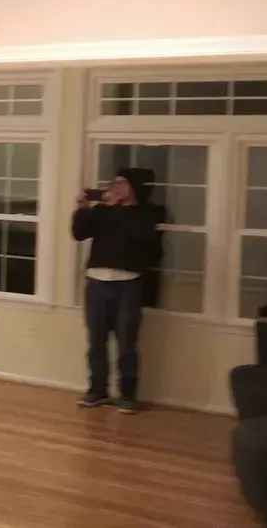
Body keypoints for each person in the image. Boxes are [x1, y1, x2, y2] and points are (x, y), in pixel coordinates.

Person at [71, 168, 164, 414]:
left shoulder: (148, 212)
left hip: (128, 283)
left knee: (126, 341)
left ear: (136, 188)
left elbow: (141, 236)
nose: (116, 187)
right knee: (96, 341)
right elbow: (79, 234)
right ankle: (97, 391)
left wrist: (116, 209)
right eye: (115, 182)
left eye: (123, 183)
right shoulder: (103, 210)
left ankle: (127, 396)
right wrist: (82, 209)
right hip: (97, 282)